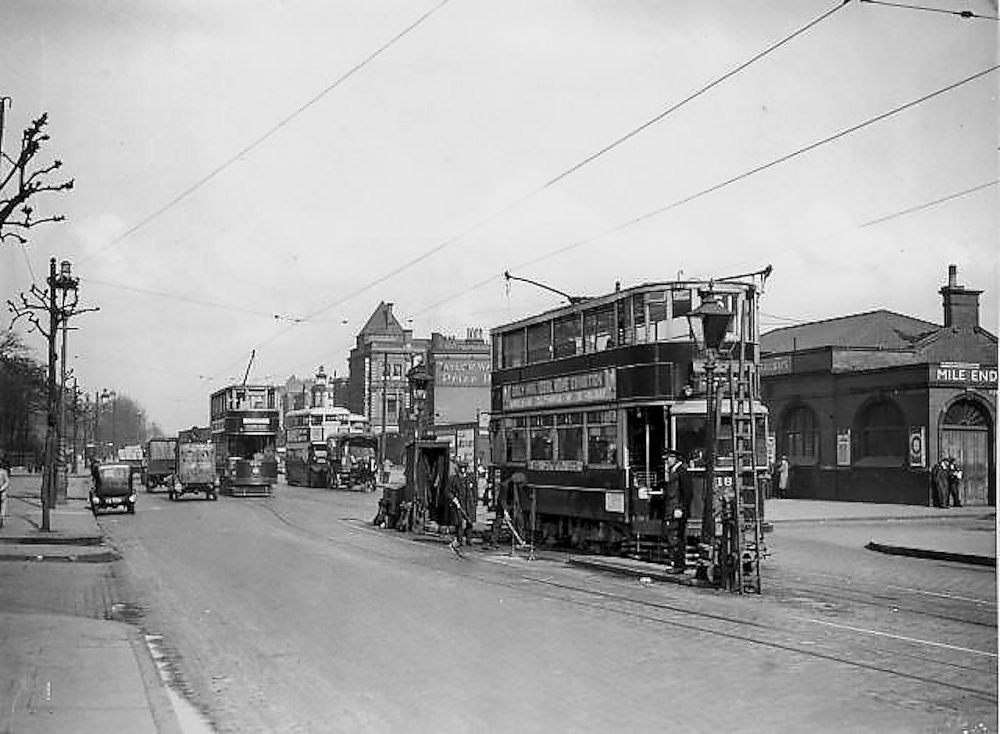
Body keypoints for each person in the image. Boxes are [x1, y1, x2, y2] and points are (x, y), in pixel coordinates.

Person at [659, 449, 693, 573]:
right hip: (673, 509)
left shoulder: (681, 472)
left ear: (675, 458)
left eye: (669, 458)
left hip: (677, 510)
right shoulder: (675, 472)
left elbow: (687, 492)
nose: (667, 461)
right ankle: (677, 564)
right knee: (673, 536)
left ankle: (679, 565)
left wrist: (680, 508)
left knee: (677, 537)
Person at [0, 457, 11, 527]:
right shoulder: (3, 472)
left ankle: (1, 518)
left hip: (2, 492)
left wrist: (1, 489)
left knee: (3, 505)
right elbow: (7, 482)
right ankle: (1, 518)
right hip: (2, 491)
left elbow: (7, 482)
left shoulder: (3, 472)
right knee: (3, 506)